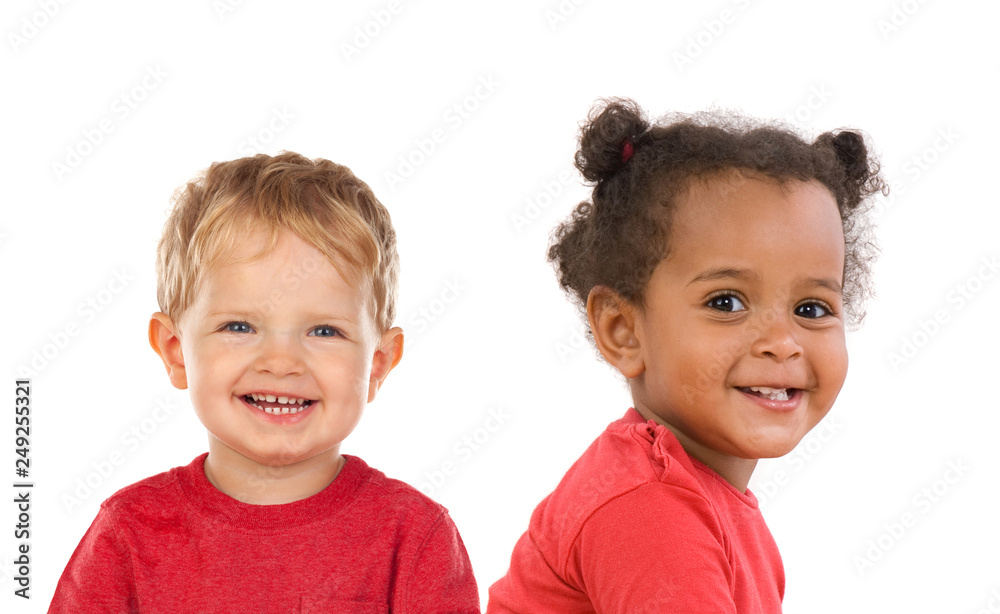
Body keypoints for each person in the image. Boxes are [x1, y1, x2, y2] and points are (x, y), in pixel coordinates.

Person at [488, 98, 886, 613]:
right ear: (623, 330)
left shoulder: (703, 501)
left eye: (811, 309)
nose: (782, 342)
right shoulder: (646, 507)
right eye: (726, 303)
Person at [49, 152, 481, 613]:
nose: (281, 362)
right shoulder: (127, 533)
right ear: (175, 351)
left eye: (324, 331)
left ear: (377, 363)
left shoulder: (414, 537)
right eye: (239, 327)